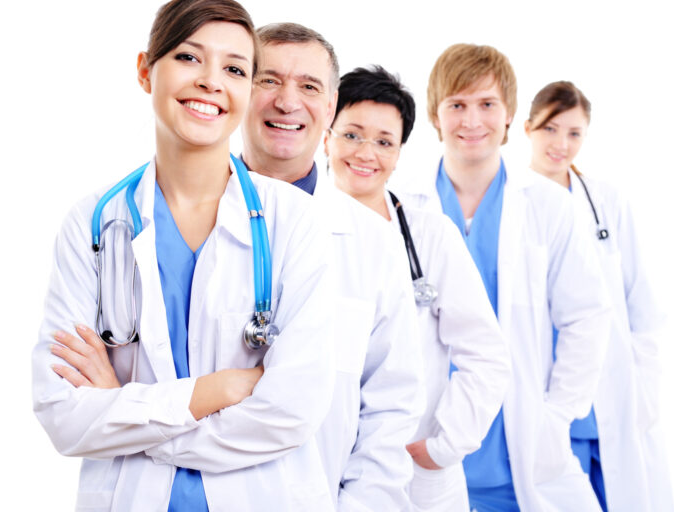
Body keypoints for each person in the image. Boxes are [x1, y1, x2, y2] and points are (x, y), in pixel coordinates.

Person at [32, 1, 337, 510]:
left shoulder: (294, 222)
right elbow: (63, 415)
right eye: (190, 58)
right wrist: (220, 389)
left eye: (236, 69)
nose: (212, 81)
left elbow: (291, 410)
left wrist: (122, 412)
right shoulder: (94, 224)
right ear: (145, 71)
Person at [394, 43, 612, 511]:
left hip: (522, 450)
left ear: (511, 115)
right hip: (423, 446)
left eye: (487, 105)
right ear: (435, 115)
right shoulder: (402, 207)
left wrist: (555, 418)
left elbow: (587, 318)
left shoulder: (548, 206)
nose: (472, 121)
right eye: (457, 105)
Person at [241, 23, 425, 510]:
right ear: (239, 87)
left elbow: (391, 402)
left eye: (308, 86)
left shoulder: (372, 243)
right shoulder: (181, 222)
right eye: (268, 79)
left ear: (330, 106)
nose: (287, 101)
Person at [324, 65, 512, 511]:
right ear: (325, 133)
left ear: (400, 150)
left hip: (415, 473)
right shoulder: (297, 229)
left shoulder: (430, 235)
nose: (366, 152)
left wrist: (443, 446)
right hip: (321, 466)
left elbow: (485, 353)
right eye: (351, 134)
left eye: (385, 141)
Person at [524, 80, 674, 512]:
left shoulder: (607, 201)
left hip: (611, 389)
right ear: (528, 128)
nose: (561, 144)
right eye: (551, 129)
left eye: (574, 133)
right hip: (547, 388)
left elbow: (641, 303)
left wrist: (645, 388)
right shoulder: (516, 204)